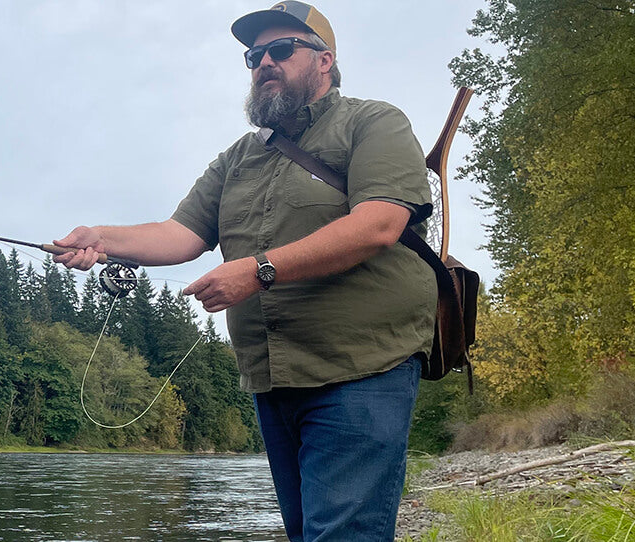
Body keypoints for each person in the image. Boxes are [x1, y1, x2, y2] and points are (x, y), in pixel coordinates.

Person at [52, 2, 435, 540]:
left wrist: (259, 271)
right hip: (271, 377)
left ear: (324, 60)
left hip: (363, 366)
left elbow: (378, 224)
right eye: (255, 56)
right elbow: (181, 234)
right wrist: (102, 238)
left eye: (281, 50)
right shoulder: (236, 158)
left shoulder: (374, 122)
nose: (265, 63)